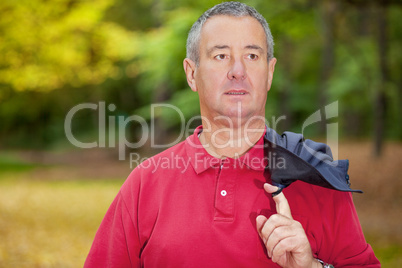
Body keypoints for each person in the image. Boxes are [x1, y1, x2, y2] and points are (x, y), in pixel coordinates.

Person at [84, 2, 380, 267]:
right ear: (191, 74)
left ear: (270, 72)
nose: (238, 70)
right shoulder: (145, 184)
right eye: (221, 55)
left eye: (252, 55)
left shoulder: (314, 176)